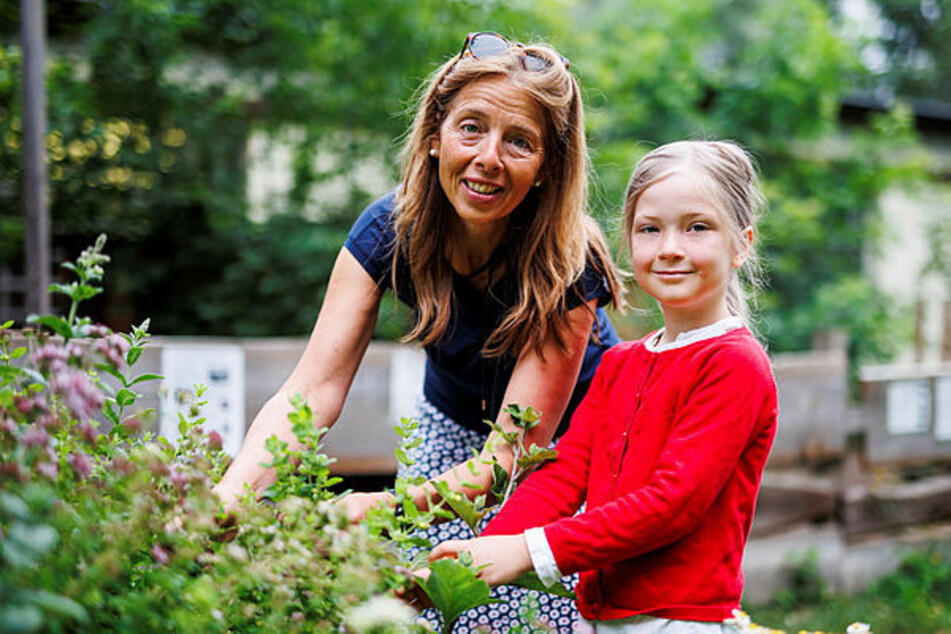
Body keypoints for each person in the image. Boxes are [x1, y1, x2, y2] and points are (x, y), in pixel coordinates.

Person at [212, 31, 624, 632]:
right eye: (471, 128)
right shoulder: (389, 230)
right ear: (435, 135)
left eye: (519, 142)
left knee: (521, 615)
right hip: (449, 420)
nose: (489, 157)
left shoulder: (566, 261)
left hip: (561, 452)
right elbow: (312, 390)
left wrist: (383, 507)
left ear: (545, 168)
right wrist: (228, 500)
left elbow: (509, 457)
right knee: (412, 607)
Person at [430, 140, 779, 633]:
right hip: (598, 617)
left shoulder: (734, 364)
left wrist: (526, 551)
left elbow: (670, 504)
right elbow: (563, 474)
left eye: (697, 227)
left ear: (741, 243)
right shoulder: (620, 363)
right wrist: (481, 551)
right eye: (649, 229)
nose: (670, 247)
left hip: (681, 621)